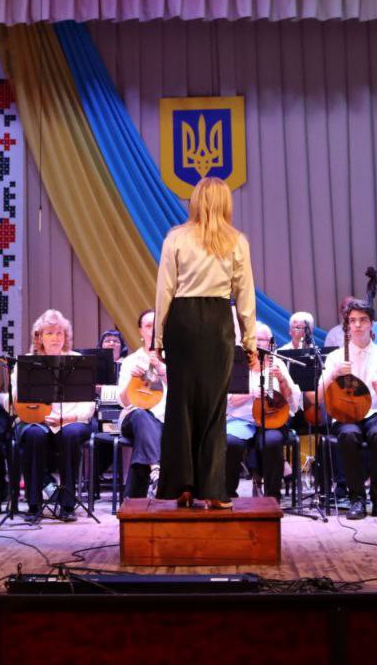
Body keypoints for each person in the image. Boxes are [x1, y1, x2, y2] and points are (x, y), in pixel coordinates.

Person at [154, 176, 258, 510]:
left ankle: (182, 488)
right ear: (225, 203)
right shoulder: (236, 241)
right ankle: (213, 490)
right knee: (214, 408)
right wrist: (250, 341)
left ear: (196, 201)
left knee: (180, 405)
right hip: (216, 323)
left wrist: (158, 338)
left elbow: (164, 290)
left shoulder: (175, 238)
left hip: (182, 322)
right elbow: (245, 295)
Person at [319, 300, 377, 519]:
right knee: (349, 435)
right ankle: (356, 499)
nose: (357, 325)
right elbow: (319, 395)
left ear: (371, 323)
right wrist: (333, 374)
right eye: (352, 320)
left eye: (363, 320)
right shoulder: (336, 357)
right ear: (347, 325)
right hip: (346, 414)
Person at [13, 309, 94, 521]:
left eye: (59, 333)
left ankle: (67, 504)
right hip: (37, 421)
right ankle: (34, 505)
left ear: (66, 336)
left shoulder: (78, 361)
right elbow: (16, 399)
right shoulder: (26, 363)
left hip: (72, 421)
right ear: (39, 337)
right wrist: (38, 416)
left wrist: (68, 419)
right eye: (49, 333)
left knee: (70, 434)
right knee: (33, 434)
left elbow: (89, 406)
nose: (55, 338)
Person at [227, 323, 298, 500]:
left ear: (270, 343)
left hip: (271, 418)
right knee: (230, 442)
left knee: (272, 441)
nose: (258, 343)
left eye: (262, 339)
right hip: (242, 419)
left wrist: (282, 381)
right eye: (254, 339)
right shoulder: (238, 363)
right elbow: (230, 401)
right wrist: (251, 393)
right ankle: (228, 495)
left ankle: (272, 497)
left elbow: (290, 400)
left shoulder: (277, 363)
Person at [116, 309, 165, 499]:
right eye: (148, 326)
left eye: (156, 326)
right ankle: (156, 467)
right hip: (133, 418)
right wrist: (132, 380)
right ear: (141, 331)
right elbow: (123, 402)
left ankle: (133, 501)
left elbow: (182, 393)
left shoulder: (173, 360)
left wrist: (162, 370)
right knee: (141, 414)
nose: (153, 330)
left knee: (143, 444)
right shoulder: (131, 361)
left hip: (164, 420)